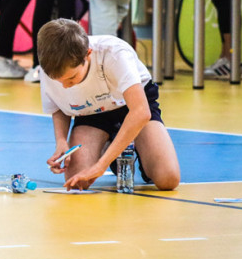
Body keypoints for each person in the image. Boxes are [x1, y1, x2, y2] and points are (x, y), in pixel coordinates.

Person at [37, 18, 180, 191]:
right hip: (91, 113)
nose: (65, 86)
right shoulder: (48, 68)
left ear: (87, 55)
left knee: (168, 179)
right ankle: (110, 147)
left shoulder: (114, 53)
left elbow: (141, 112)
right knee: (78, 182)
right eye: (58, 81)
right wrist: (61, 142)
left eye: (71, 78)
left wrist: (100, 166)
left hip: (131, 108)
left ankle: (130, 150)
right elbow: (59, 105)